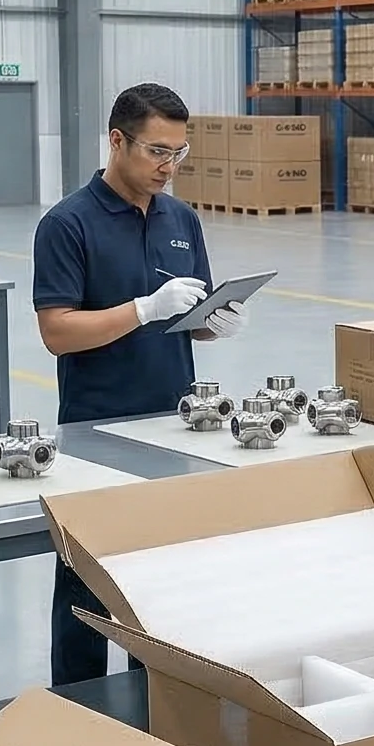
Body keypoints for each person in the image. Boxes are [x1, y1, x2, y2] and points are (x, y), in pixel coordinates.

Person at [32, 82, 246, 685]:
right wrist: (142, 310)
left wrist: (214, 323)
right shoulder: (67, 224)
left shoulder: (182, 219)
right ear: (117, 141)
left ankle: (156, 699)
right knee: (86, 588)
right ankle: (78, 707)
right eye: (157, 152)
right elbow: (58, 331)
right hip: (96, 434)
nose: (169, 168)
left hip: (175, 428)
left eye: (179, 153)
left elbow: (190, 317)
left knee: (159, 586)